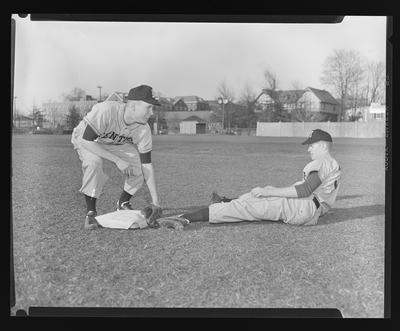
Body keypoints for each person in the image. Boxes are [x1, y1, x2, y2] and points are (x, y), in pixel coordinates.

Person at [155, 129, 341, 229]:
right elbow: (321, 197)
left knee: (248, 206)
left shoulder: (323, 161)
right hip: (307, 208)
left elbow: (305, 190)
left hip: (303, 207)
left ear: (323, 146)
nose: (309, 149)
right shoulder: (330, 163)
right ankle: (225, 201)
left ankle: (183, 219)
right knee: (257, 195)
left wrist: (269, 192)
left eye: (312, 145)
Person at [71, 85, 162, 229]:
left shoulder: (143, 128)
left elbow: (147, 165)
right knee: (94, 163)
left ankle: (123, 203)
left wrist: (156, 202)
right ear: (133, 106)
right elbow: (86, 140)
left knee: (137, 166)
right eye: (148, 108)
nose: (151, 113)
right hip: (86, 138)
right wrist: (117, 160)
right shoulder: (107, 110)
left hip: (113, 143)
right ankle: (91, 213)